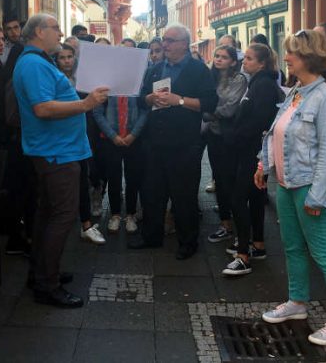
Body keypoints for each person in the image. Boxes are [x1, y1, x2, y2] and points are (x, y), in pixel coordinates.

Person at [257, 29, 326, 345]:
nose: (286, 58)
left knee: (324, 253)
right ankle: (297, 302)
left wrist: (317, 194)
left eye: (292, 54)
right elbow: (276, 133)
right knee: (293, 247)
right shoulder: (297, 92)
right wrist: (263, 165)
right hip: (287, 184)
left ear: (307, 58)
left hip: (310, 187)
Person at [14, 13, 109, 308]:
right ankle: (47, 285)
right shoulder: (33, 63)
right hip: (57, 152)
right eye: (55, 28)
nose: (60, 33)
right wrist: (85, 104)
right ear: (40, 31)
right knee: (63, 217)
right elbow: (42, 108)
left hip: (57, 149)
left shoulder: (37, 61)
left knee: (47, 215)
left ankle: (41, 273)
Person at [129, 23, 217, 260]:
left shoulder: (199, 70)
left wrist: (179, 101)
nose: (164, 45)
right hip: (155, 143)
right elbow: (140, 100)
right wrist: (149, 98)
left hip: (184, 144)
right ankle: (151, 236)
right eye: (164, 40)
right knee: (152, 194)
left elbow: (210, 104)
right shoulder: (156, 69)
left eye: (169, 40)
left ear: (184, 44)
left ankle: (188, 242)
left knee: (184, 196)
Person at [221, 43, 282, 276]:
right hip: (251, 151)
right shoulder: (256, 82)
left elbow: (259, 121)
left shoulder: (263, 85)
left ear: (261, 63)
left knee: (238, 199)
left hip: (253, 152)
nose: (244, 61)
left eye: (248, 58)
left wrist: (235, 135)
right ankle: (258, 244)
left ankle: (243, 254)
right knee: (256, 198)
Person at [55, 44, 106, 245]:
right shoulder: (54, 78)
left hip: (84, 132)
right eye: (62, 57)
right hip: (63, 136)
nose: (67, 61)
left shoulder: (83, 79)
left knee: (86, 176)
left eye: (70, 57)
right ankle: (67, 221)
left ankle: (86, 223)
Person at [203, 46, 247, 245]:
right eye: (217, 56)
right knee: (219, 178)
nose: (219, 60)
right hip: (213, 134)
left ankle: (239, 225)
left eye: (224, 57)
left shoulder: (238, 79)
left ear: (233, 61)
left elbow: (229, 107)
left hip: (229, 136)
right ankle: (225, 223)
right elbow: (205, 102)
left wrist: (209, 111)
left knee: (230, 178)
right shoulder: (210, 78)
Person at [93, 79, 149, 234]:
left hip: (133, 139)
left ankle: (130, 214)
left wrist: (133, 134)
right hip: (111, 140)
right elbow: (97, 113)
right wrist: (113, 136)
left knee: (133, 177)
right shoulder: (105, 84)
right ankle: (115, 215)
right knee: (113, 178)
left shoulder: (138, 83)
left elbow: (145, 110)